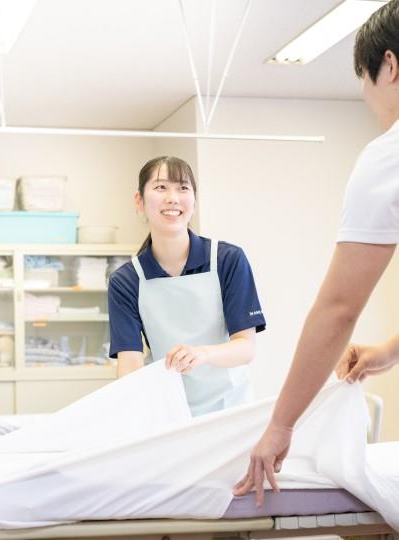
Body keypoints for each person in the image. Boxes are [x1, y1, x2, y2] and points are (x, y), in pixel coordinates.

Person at [234, 0, 399, 506]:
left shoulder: (388, 158)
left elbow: (339, 308)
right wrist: (390, 350)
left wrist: (282, 425)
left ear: (390, 66)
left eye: (365, 82)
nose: (369, 98)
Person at [108, 156, 266, 416]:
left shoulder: (227, 260)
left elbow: (246, 347)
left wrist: (202, 354)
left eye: (183, 188)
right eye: (161, 187)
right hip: (167, 411)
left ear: (194, 200)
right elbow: (130, 363)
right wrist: (131, 412)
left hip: (230, 409)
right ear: (139, 201)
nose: (173, 198)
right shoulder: (126, 281)